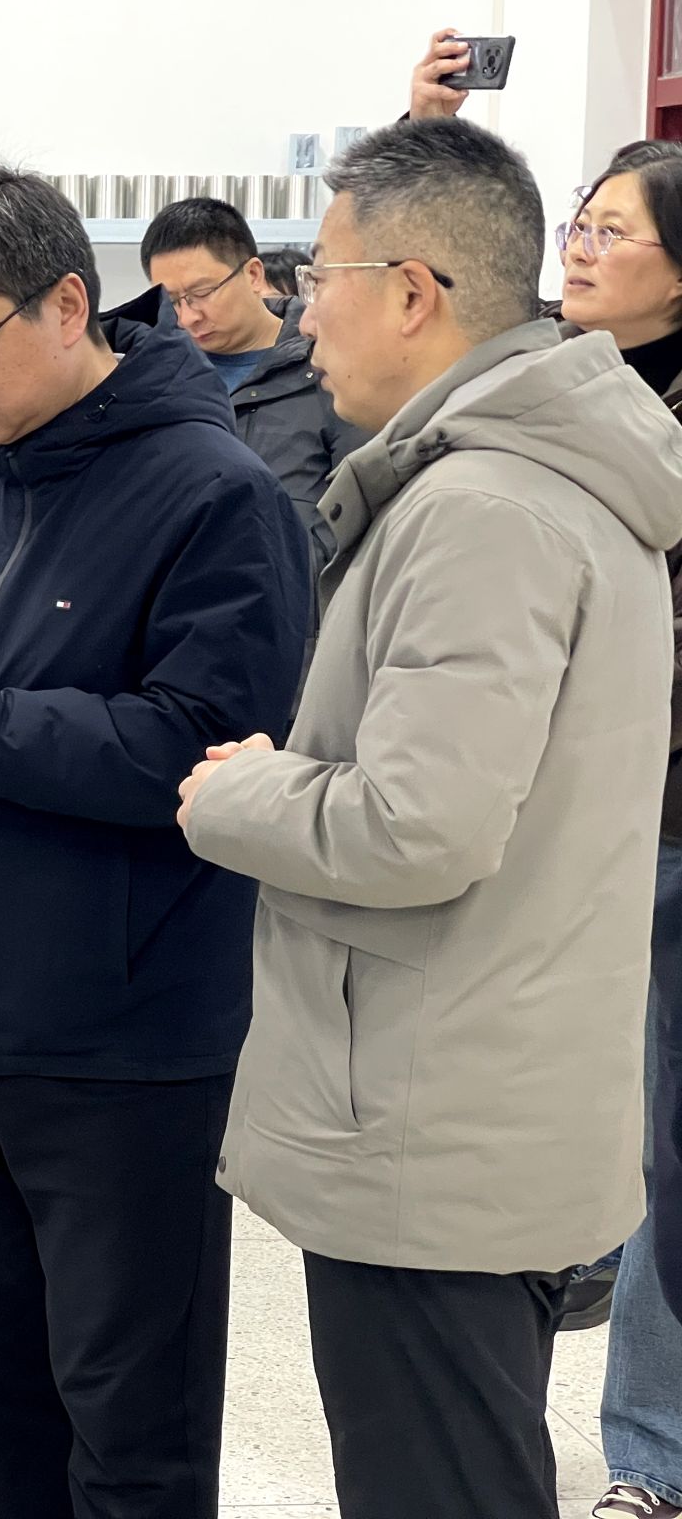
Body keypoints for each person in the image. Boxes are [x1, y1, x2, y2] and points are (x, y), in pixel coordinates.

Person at [176, 117, 682, 1519]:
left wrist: (238, 792)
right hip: (482, 1094)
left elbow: (418, 825)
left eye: (317, 276)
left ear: (411, 291)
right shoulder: (538, 479)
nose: (300, 311)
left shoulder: (483, 510)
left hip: (431, 1123)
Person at [0, 163, 310, 1516]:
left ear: (70, 304)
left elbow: (202, 753)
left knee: (131, 1430)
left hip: (125, 1052)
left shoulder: (215, 497)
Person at [553, 141, 682, 1519]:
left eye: (608, 232)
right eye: (575, 226)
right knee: (544, 1114)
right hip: (556, 818)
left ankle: (649, 1450)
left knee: (669, 1142)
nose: (579, 251)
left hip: (665, 821)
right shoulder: (551, 382)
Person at [137, 197, 365, 570]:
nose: (188, 317)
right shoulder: (155, 385)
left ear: (254, 275)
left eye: (202, 293)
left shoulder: (333, 368)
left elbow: (362, 526)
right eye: (172, 301)